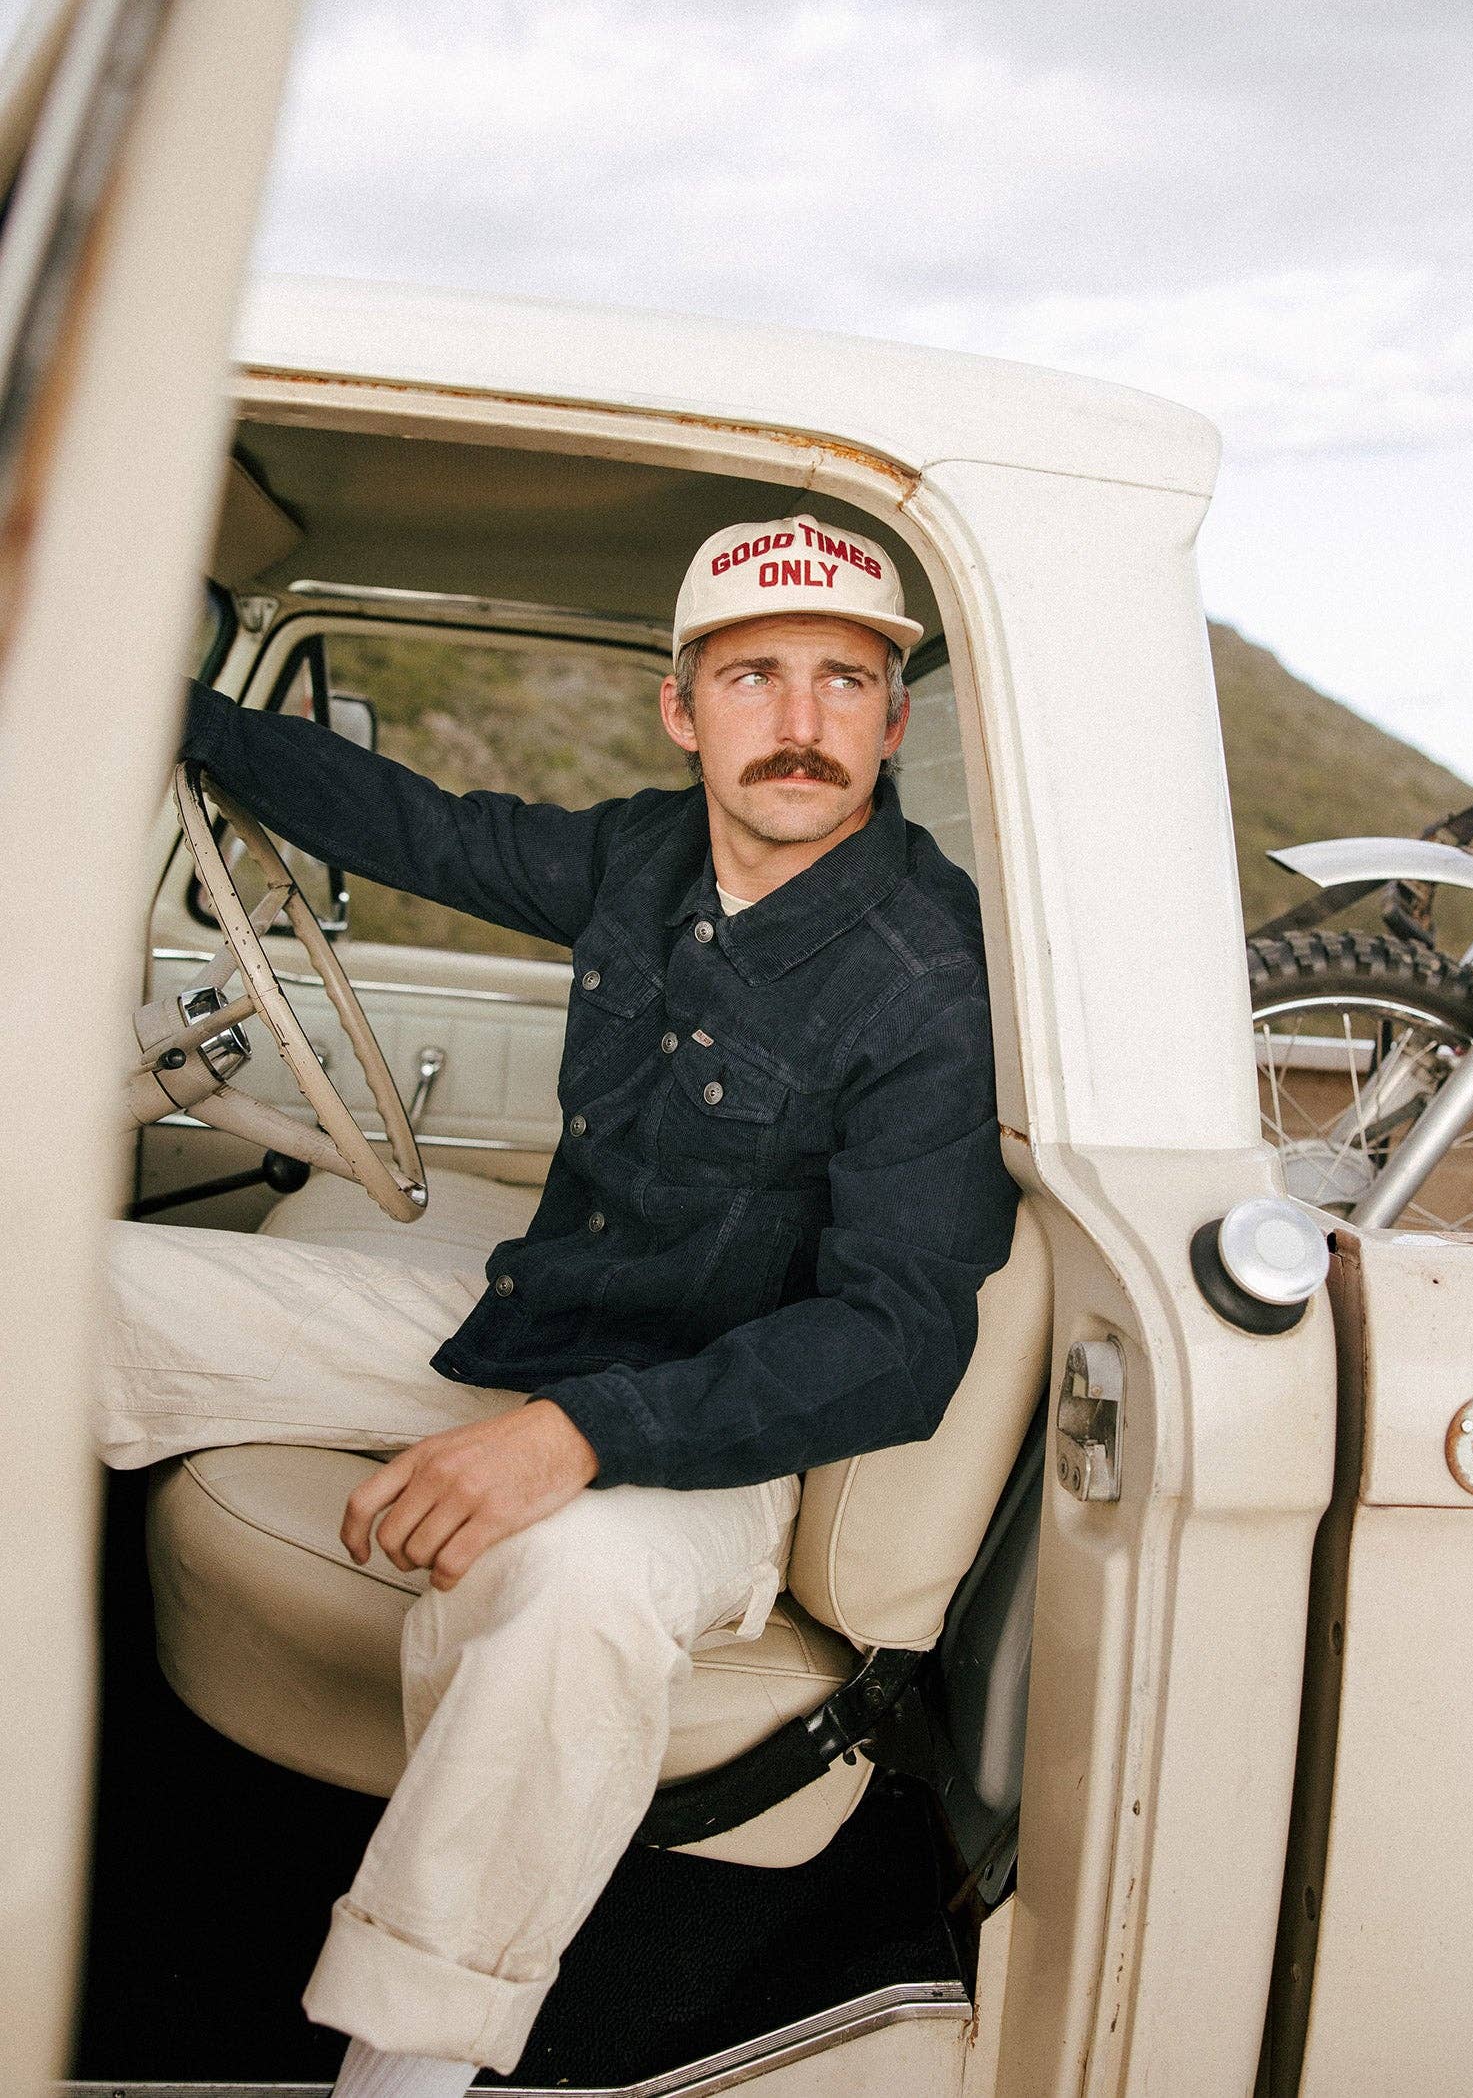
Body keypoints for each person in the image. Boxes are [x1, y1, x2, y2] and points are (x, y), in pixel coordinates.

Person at [97, 513, 1018, 2094]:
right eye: (753, 678)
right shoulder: (645, 860)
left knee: (574, 1588)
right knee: (78, 1286)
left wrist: (581, 1438)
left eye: (842, 681)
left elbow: (897, 1338)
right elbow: (424, 830)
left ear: (893, 718)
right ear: (683, 708)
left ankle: (410, 2068)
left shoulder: (928, 979)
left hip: (715, 1436)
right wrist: (146, 694)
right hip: (523, 1337)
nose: (798, 725)